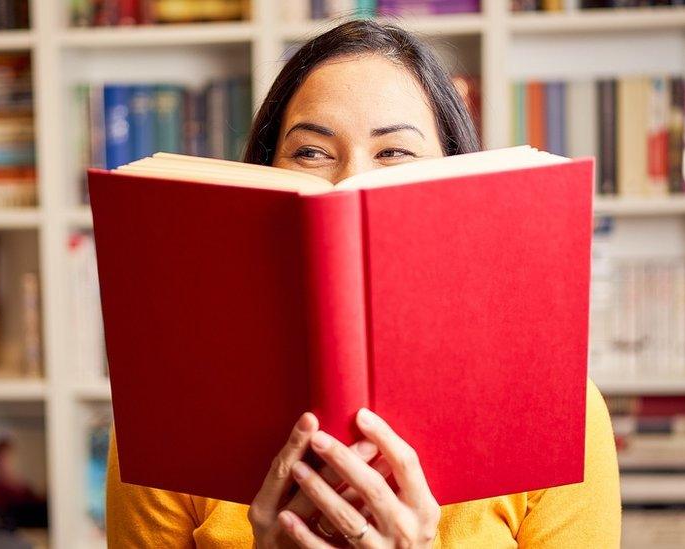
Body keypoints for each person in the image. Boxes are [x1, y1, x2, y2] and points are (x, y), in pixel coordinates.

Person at [106, 19, 621, 548]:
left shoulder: (560, 419)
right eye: (310, 152)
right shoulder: (168, 417)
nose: (351, 181)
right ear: (264, 169)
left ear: (456, 179)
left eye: (394, 152)